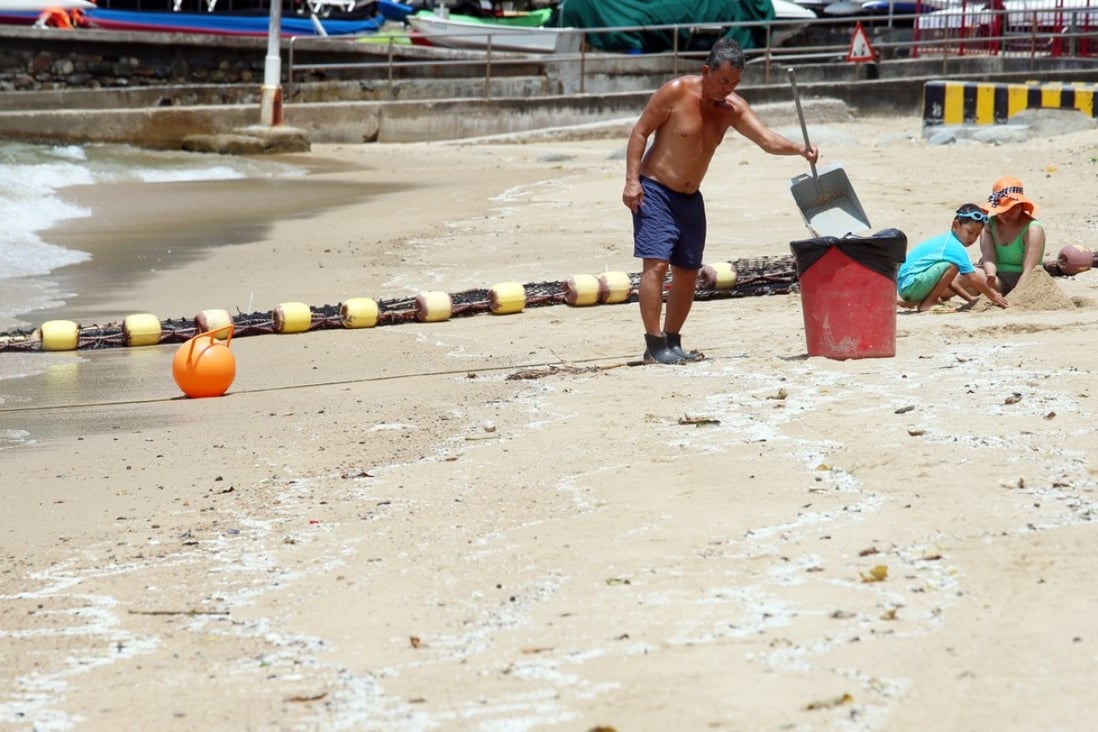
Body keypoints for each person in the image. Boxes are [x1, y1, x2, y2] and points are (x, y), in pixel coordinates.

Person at [622, 37, 819, 364]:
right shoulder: (676, 92)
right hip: (655, 189)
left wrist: (801, 149)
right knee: (656, 265)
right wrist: (631, 181)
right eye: (724, 80)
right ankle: (654, 344)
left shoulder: (733, 108)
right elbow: (640, 132)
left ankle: (672, 341)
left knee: (687, 271)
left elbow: (767, 140)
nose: (729, 88)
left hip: (690, 198)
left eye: (735, 82)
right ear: (706, 71)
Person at [898, 204, 1008, 312]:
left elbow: (951, 283)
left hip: (907, 288)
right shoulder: (953, 246)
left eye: (977, 234)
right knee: (952, 266)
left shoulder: (947, 241)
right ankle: (929, 303)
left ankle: (920, 301)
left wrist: (970, 299)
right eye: (969, 232)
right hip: (911, 286)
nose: (973, 238)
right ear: (955, 225)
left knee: (952, 266)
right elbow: (972, 277)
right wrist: (993, 295)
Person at [979, 176, 1046, 296]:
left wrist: (1015, 297)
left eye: (1013, 207)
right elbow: (988, 257)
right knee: (962, 275)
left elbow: (1030, 270)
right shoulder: (989, 225)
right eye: (1004, 208)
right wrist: (991, 275)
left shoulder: (1033, 228)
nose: (1008, 213)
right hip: (998, 279)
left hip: (1027, 282)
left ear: (1021, 206)